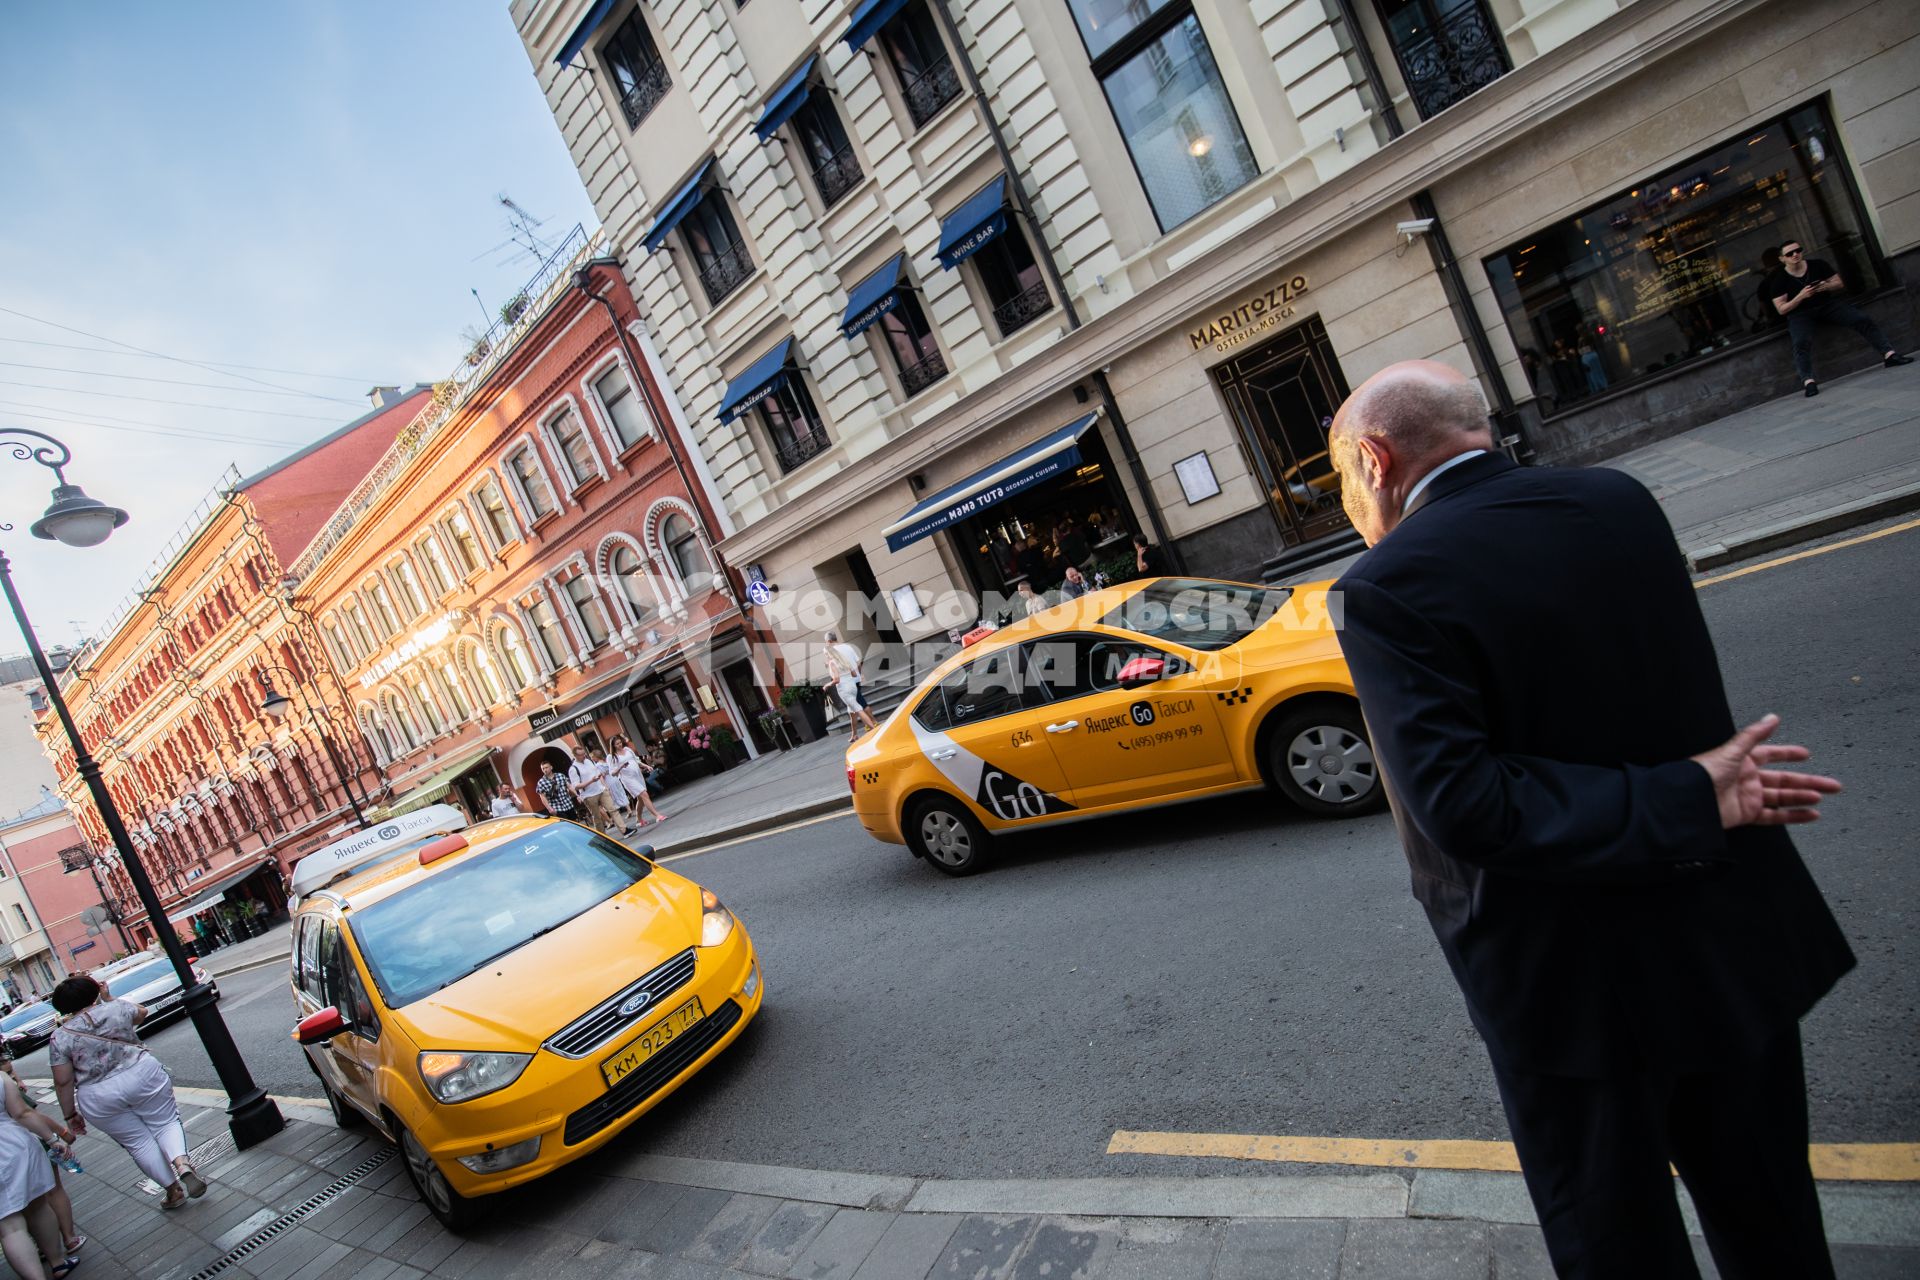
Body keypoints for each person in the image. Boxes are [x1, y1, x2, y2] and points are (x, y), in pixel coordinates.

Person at [1325, 359, 1855, 1276]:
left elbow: (1465, 805)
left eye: (1339, 479)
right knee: (1774, 1221)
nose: (1346, 502)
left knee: (1618, 1247)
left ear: (1375, 459)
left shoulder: (1385, 586)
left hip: (1570, 994)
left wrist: (1690, 794)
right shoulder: (1619, 500)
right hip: (1725, 939)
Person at [49, 974, 209, 1212]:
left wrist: (70, 1115)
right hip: (142, 1074)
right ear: (93, 992)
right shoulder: (115, 1009)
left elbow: (62, 1081)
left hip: (98, 1094)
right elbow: (142, 1013)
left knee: (138, 1143)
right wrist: (108, 998)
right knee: (165, 1122)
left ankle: (173, 1190)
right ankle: (182, 1163)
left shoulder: (59, 1037)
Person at [1766, 239, 1910, 395]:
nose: (1795, 255)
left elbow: (1839, 283)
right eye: (1790, 253)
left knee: (1861, 319)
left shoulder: (1817, 265)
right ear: (1782, 259)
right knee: (1801, 342)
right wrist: (1801, 296)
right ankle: (1808, 381)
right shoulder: (1779, 280)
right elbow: (1781, 309)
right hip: (1800, 314)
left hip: (1827, 304)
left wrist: (1825, 286)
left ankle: (1889, 355)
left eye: (1798, 250)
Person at [0, 1047, 80, 1262]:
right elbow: (27, 1113)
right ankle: (65, 1245)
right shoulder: (3, 1082)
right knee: (45, 1198)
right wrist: (58, 1135)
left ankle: (42, 1251)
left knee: (10, 1224)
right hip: (20, 1145)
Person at [823, 631, 878, 733]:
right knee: (855, 704)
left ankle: (873, 722)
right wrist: (860, 674)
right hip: (855, 678)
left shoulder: (832, 652)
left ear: (829, 641)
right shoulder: (848, 647)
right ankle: (859, 730)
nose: (826, 644)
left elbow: (835, 671)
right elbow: (858, 662)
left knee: (860, 703)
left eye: (826, 642)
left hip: (846, 683)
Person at [611, 738, 666, 828]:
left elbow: (637, 761)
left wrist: (647, 766)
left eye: (620, 742)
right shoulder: (612, 756)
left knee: (640, 799)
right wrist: (620, 766)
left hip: (637, 775)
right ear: (613, 746)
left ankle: (639, 819)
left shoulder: (627, 750)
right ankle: (657, 815)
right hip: (627, 779)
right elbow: (612, 773)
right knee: (644, 794)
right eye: (617, 744)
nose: (619, 745)